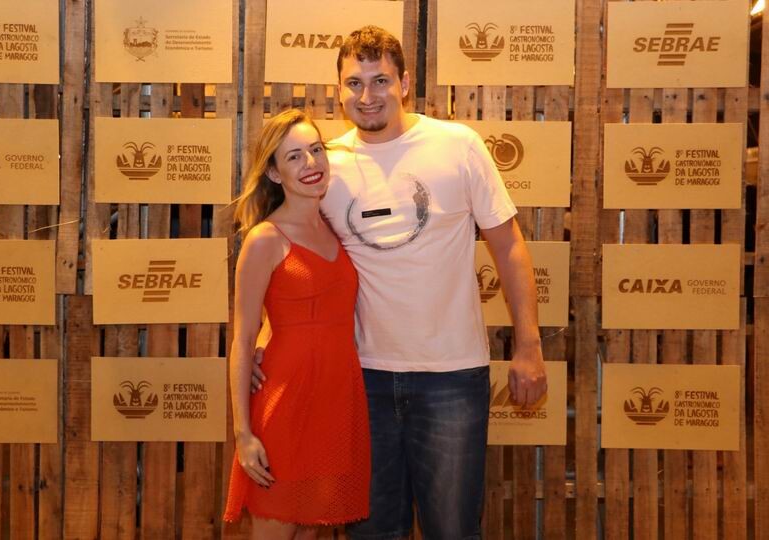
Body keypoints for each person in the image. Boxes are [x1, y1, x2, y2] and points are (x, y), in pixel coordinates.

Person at [254, 26, 547, 540]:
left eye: (381, 80)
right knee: (370, 531)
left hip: (452, 377)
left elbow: (509, 246)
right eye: (354, 83)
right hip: (358, 379)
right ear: (339, 90)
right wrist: (266, 334)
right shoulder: (326, 165)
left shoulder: (457, 146)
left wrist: (529, 344)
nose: (367, 95)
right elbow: (291, 254)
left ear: (405, 83)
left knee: (453, 530)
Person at [224, 108, 370, 539]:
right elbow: (243, 339)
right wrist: (243, 434)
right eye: (294, 157)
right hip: (286, 405)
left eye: (316, 150)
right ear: (273, 173)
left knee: (312, 532)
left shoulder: (336, 228)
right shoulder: (264, 239)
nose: (311, 163)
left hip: (336, 403)